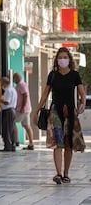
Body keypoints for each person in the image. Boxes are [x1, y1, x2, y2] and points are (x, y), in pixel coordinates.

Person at [33, 47, 86, 184]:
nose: (63, 60)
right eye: (60, 57)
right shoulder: (53, 75)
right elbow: (45, 94)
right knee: (57, 143)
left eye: (65, 57)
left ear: (69, 59)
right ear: (57, 60)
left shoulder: (75, 75)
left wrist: (82, 104)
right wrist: (36, 110)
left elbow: (81, 94)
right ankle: (58, 173)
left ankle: (66, 174)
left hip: (70, 112)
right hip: (55, 111)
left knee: (68, 144)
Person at [13, 73, 34, 150]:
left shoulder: (21, 85)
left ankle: (16, 141)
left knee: (12, 122)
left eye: (14, 78)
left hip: (22, 109)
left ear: (17, 78)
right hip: (26, 109)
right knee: (26, 126)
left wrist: (22, 107)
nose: (13, 80)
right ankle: (31, 144)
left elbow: (25, 95)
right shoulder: (22, 84)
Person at [0, 77, 17, 152]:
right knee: (11, 129)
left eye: (1, 83)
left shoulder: (8, 90)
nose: (1, 85)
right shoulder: (13, 89)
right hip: (12, 111)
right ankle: (12, 145)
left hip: (8, 111)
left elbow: (7, 102)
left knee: (7, 129)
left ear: (4, 83)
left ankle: (8, 146)